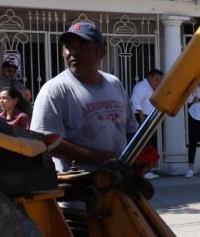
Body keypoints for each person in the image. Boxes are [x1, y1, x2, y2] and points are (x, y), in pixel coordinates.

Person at [31, 20, 135, 171]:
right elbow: (47, 141)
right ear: (62, 52)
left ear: (102, 52)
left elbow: (130, 129)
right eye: (69, 46)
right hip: (79, 187)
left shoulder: (114, 84)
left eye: (83, 45)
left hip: (119, 180)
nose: (74, 52)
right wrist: (103, 159)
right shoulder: (54, 90)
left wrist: (136, 156)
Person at [131, 68, 164, 179]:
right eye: (156, 79)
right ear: (150, 77)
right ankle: (143, 172)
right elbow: (136, 103)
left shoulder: (152, 88)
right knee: (144, 145)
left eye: (160, 80)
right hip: (142, 118)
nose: (158, 82)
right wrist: (142, 122)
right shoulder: (141, 87)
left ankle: (147, 169)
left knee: (150, 145)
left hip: (149, 118)